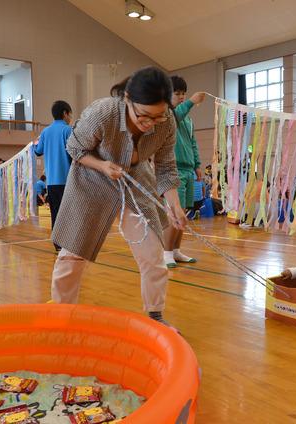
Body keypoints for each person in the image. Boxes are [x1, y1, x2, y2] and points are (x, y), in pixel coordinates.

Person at [51, 66, 187, 327]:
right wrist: (103, 166)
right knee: (72, 255)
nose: (150, 125)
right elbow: (75, 149)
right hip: (91, 181)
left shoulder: (166, 121)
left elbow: (166, 166)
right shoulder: (102, 113)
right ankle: (61, 315)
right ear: (127, 99)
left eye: (157, 118)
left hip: (134, 182)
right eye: (143, 116)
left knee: (153, 255)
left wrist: (174, 204)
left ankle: (155, 315)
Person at [162, 76, 205, 267]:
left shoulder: (188, 120)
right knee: (173, 213)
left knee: (184, 212)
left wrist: (197, 165)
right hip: (174, 170)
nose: (181, 97)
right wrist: (191, 101)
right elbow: (177, 113)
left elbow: (193, 143)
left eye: (183, 94)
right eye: (177, 93)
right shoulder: (168, 115)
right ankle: (166, 252)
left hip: (188, 170)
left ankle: (176, 250)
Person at [34, 100, 73, 246]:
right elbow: (74, 153)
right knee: (68, 214)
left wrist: (34, 144)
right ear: (65, 113)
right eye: (70, 114)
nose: (70, 118)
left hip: (51, 182)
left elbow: (37, 151)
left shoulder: (45, 131)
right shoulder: (67, 130)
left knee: (55, 213)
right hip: (66, 180)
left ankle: (57, 244)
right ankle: (68, 243)